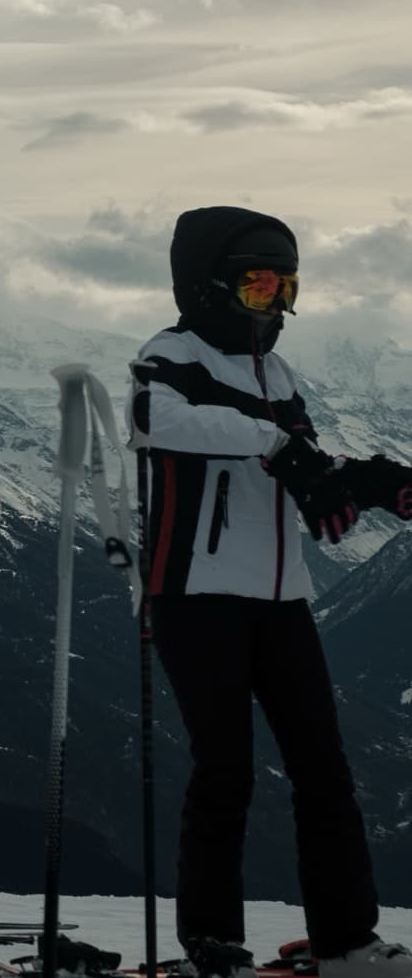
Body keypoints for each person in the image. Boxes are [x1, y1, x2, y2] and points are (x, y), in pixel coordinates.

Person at [129, 206, 412, 978]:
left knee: (324, 767)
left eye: (286, 288)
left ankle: (347, 940)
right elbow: (159, 424)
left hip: (281, 599)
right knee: (226, 770)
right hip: (194, 593)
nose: (275, 305)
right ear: (210, 286)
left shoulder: (276, 373)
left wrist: (367, 480)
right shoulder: (170, 357)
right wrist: (275, 444)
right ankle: (214, 945)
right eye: (259, 285)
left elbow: (303, 461)